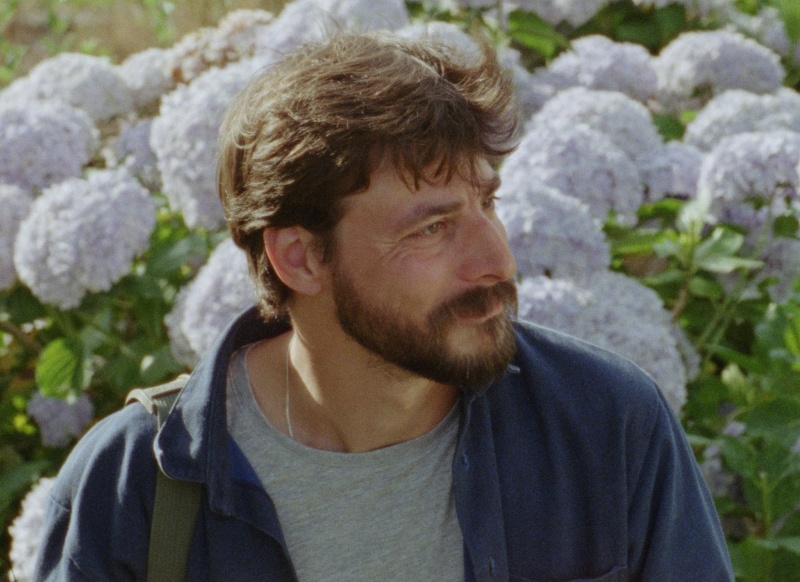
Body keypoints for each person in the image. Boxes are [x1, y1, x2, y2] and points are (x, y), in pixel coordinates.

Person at [34, 32, 734, 581]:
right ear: (300, 258)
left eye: (487, 204)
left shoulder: (607, 427)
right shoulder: (134, 487)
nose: (496, 261)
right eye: (431, 229)